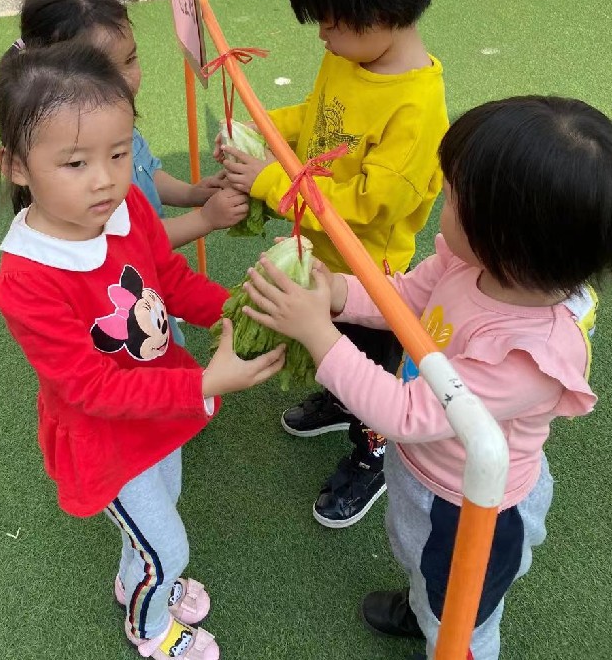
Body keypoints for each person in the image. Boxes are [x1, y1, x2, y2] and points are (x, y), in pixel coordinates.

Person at [239, 96, 609, 660]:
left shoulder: (528, 355)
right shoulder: (474, 264)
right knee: (420, 562)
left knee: (461, 615)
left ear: (505, 237)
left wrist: (319, 335)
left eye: (455, 196)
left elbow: (407, 413)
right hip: (426, 475)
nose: (442, 199)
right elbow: (407, 297)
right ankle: (422, 607)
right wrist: (336, 293)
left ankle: (445, 634)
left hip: (470, 509)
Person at [0, 41, 285, 660]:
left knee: (162, 514)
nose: (105, 178)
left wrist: (235, 312)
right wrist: (207, 383)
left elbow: (169, 280)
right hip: (103, 437)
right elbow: (90, 388)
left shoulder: (125, 208)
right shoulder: (26, 280)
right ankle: (151, 632)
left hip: (158, 405)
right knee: (169, 547)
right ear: (16, 166)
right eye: (75, 162)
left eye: (120, 153)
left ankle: (139, 578)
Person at [219, 0, 448, 527]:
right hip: (322, 257)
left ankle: (372, 454)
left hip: (371, 277)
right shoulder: (350, 56)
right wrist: (264, 132)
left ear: (379, 13)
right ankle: (338, 399)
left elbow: (364, 207)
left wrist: (271, 180)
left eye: (330, 20)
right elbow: (317, 119)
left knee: (370, 371)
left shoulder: (417, 111)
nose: (321, 34)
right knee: (330, 350)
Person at [18, 0, 249, 346]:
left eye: (130, 59)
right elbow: (128, 242)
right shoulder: (79, 188)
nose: (126, 80)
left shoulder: (113, 126)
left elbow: (145, 171)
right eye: (105, 70)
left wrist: (192, 193)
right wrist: (205, 219)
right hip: (122, 301)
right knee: (149, 350)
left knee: (163, 341)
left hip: (150, 285)